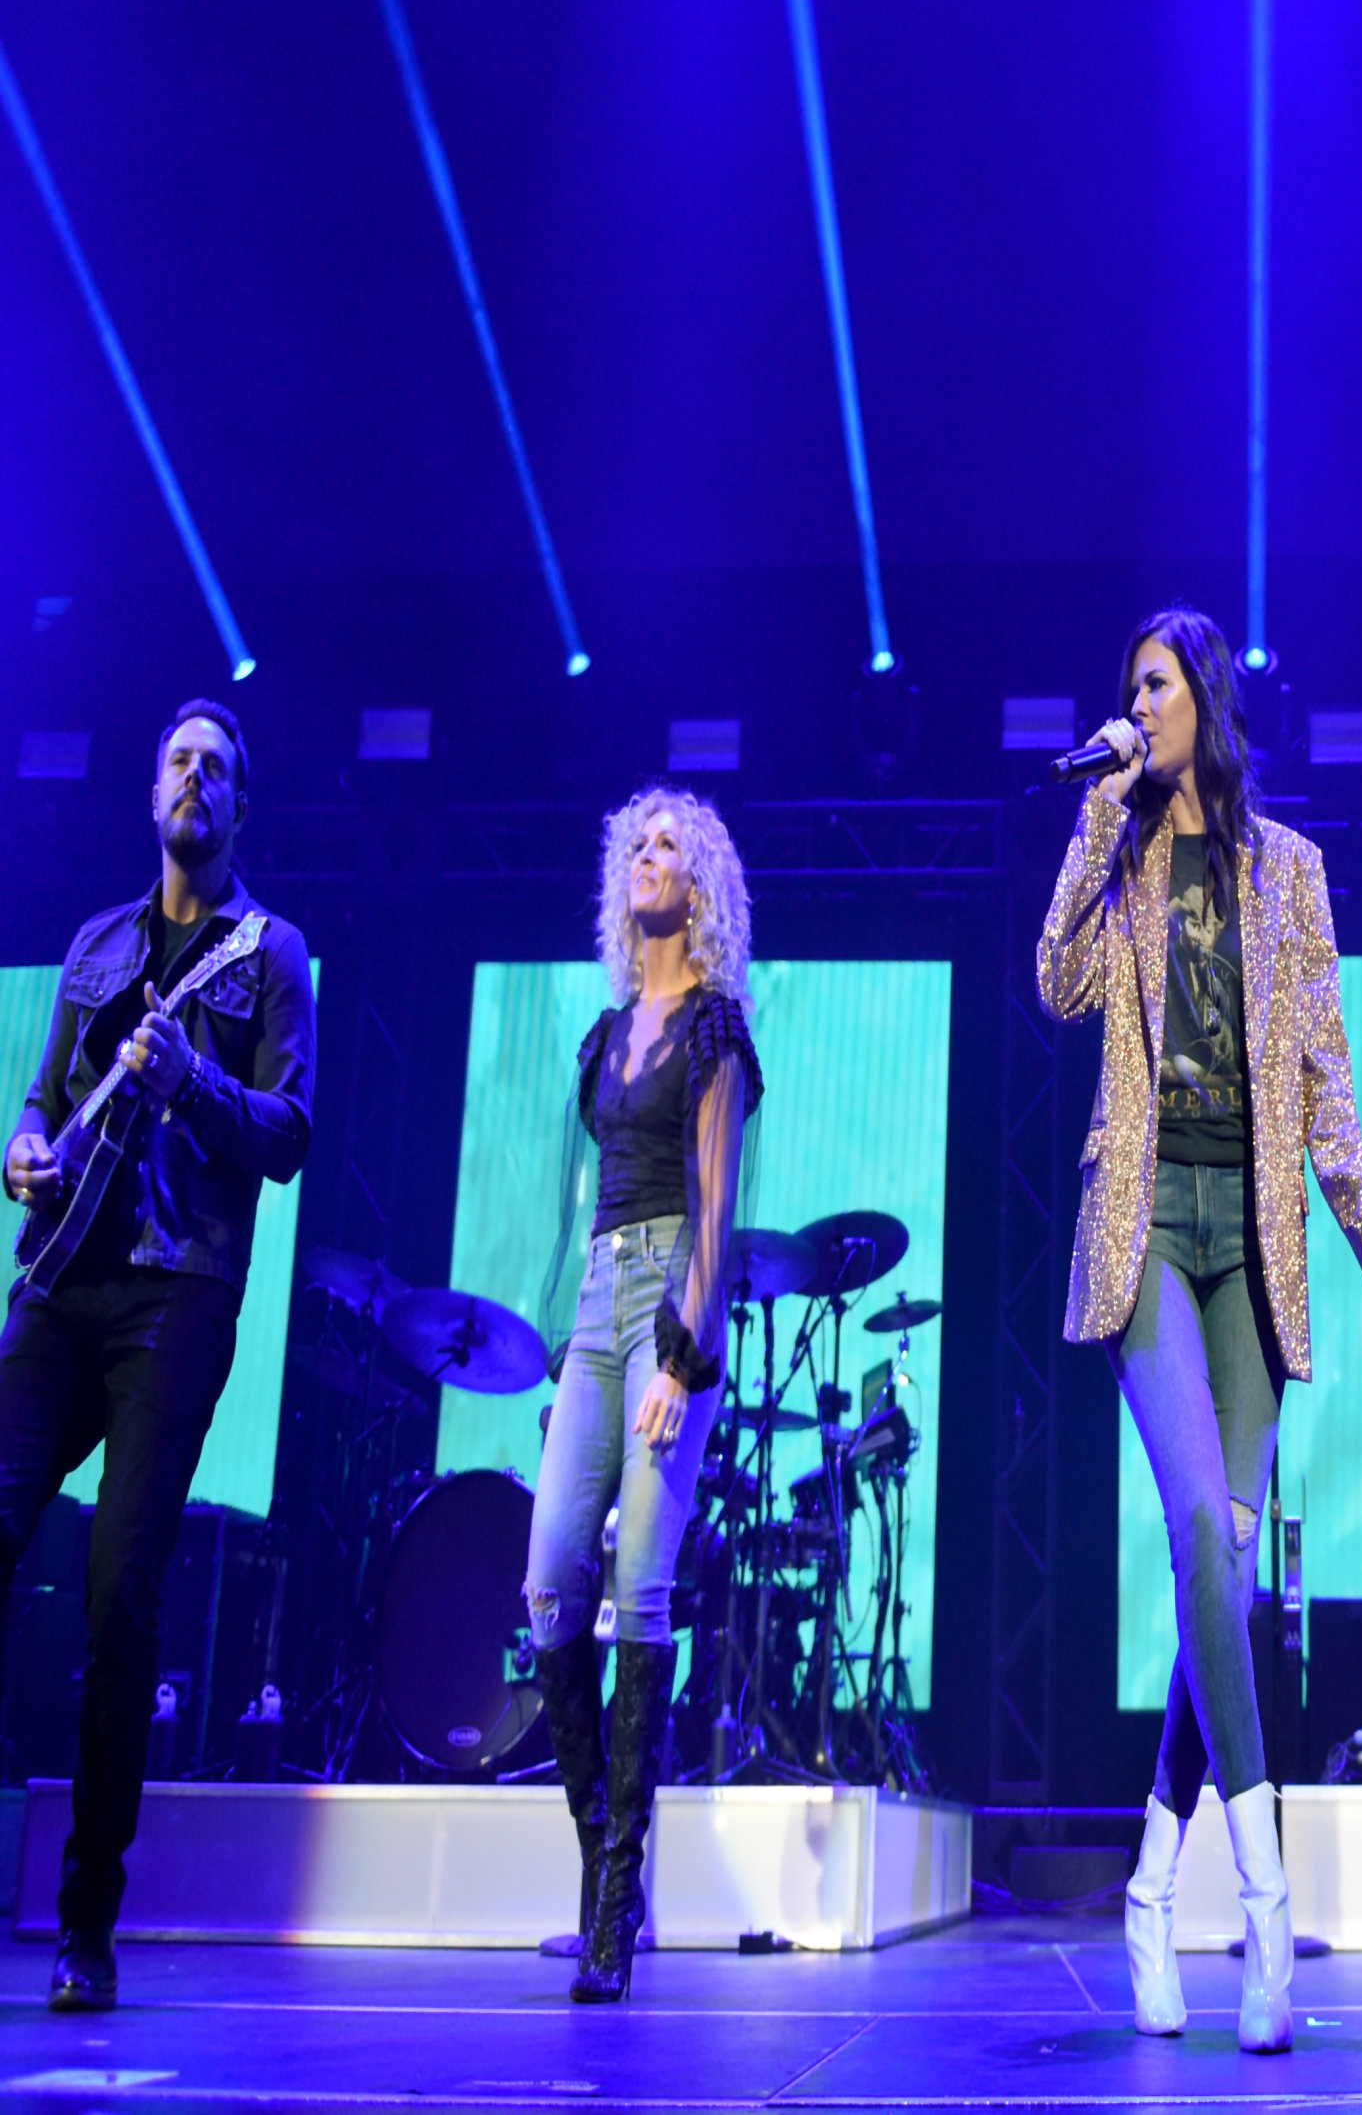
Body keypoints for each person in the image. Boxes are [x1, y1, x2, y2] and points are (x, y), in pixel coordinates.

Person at [1039, 605, 1362, 2052]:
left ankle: (1155, 1884)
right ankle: (1267, 1904)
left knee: (1234, 1571)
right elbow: (1058, 988)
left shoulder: (1294, 876)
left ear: (1201, 696)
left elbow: (1324, 1069)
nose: (1132, 703)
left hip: (1257, 1240)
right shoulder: (1123, 848)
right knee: (1200, 1541)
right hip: (1145, 1223)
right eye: (1123, 688)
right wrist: (1100, 810)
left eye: (1148, 685)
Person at [1, 701, 316, 2013]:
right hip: (60, 1284)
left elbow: (291, 1132)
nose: (196, 779)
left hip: (178, 1297)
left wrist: (190, 1078)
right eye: (179, 760)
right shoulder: (92, 944)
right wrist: (19, 1145)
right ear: (152, 795)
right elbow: (45, 1092)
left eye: (220, 769)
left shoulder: (271, 953)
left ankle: (87, 1923)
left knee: (122, 1592)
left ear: (240, 809)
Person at [526, 789, 761, 2004]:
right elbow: (581, 1208)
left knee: (637, 1587)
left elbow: (717, 1209)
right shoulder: (603, 1032)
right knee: (549, 1580)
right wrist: (564, 1352)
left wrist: (682, 1352)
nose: (645, 859)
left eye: (666, 846)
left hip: (668, 1295)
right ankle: (605, 1870)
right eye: (634, 844)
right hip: (591, 1306)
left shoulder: (716, 1030)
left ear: (698, 884)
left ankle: (614, 1906)